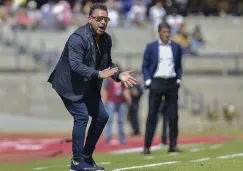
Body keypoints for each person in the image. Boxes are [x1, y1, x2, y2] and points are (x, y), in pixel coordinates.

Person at [47, 3, 137, 171]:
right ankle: (76, 162)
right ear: (90, 20)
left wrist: (119, 75)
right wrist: (97, 74)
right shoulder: (77, 38)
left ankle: (87, 157)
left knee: (102, 116)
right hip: (68, 83)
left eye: (106, 19)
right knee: (81, 116)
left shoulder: (107, 40)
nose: (103, 22)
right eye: (99, 19)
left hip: (87, 83)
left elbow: (107, 64)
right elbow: (75, 65)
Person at [142, 21, 183, 154]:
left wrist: (178, 79)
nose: (166, 35)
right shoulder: (151, 47)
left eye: (168, 32)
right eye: (164, 32)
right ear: (159, 32)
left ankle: (173, 145)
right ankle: (147, 147)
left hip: (171, 83)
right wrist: (148, 81)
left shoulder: (176, 47)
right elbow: (145, 66)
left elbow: (179, 66)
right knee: (152, 115)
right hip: (156, 83)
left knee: (173, 116)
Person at [102, 76, 131, 145]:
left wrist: (128, 99)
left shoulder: (122, 79)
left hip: (121, 102)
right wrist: (105, 101)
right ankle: (108, 138)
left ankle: (122, 139)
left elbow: (125, 89)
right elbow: (105, 89)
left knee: (121, 121)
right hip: (111, 101)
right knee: (109, 120)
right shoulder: (108, 79)